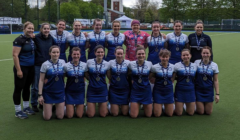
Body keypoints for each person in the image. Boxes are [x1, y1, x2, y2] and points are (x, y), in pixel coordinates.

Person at [12, 21, 36, 119]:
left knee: (27, 87)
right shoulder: (19, 39)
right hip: (22, 67)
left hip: (31, 68)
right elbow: (15, 55)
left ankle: (26, 107)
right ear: (24, 29)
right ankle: (18, 111)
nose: (31, 30)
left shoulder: (31, 39)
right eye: (29, 28)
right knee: (18, 88)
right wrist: (19, 70)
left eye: (32, 28)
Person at [38, 45, 65, 120]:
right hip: (48, 92)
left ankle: (59, 107)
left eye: (57, 52)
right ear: (50, 53)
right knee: (47, 118)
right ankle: (46, 109)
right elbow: (41, 80)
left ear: (59, 53)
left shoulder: (63, 63)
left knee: (60, 117)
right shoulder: (45, 64)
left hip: (60, 92)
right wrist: (40, 95)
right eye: (53, 52)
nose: (55, 54)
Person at [31, 23, 54, 112]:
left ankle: (43, 103)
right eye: (45, 28)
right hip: (38, 65)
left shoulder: (51, 38)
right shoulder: (36, 37)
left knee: (46, 85)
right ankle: (34, 104)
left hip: (48, 65)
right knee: (35, 86)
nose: (46, 30)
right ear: (41, 29)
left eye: (48, 29)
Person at [85, 45, 110, 117]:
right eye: (98, 52)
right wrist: (90, 79)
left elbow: (109, 76)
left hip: (102, 90)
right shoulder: (89, 62)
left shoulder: (107, 64)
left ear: (104, 53)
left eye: (102, 52)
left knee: (103, 114)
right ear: (95, 53)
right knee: (90, 115)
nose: (100, 54)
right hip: (92, 89)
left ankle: (105, 106)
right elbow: (86, 73)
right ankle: (89, 107)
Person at [128, 47, 153, 118]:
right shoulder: (131, 64)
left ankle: (144, 105)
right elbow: (129, 73)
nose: (141, 55)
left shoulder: (149, 64)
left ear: (145, 55)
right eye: (139, 54)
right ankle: (132, 104)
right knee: (133, 116)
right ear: (136, 55)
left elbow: (152, 74)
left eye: (142, 54)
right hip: (136, 91)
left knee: (148, 115)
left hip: (146, 91)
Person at [194, 46, 219, 115]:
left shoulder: (214, 65)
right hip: (198, 90)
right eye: (204, 53)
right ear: (201, 54)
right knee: (201, 112)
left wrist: (217, 94)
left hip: (208, 90)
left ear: (210, 54)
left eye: (207, 53)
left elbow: (215, 80)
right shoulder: (196, 62)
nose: (205, 55)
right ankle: (191, 104)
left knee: (208, 112)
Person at [172, 49, 197, 116]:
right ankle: (174, 106)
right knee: (179, 113)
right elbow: (172, 79)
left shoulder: (195, 66)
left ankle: (186, 105)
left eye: (187, 55)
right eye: (184, 55)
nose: (186, 57)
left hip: (190, 90)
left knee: (191, 113)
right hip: (180, 90)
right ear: (181, 56)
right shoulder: (177, 65)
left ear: (190, 56)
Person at [150, 49, 174, 117]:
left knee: (169, 114)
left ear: (169, 57)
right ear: (160, 57)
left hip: (168, 91)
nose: (165, 59)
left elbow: (174, 77)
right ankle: (157, 105)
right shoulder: (154, 67)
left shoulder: (173, 67)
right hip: (158, 91)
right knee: (157, 115)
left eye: (166, 57)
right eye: (163, 57)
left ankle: (165, 106)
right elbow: (149, 77)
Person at [64, 47, 87, 118]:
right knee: (70, 116)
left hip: (80, 92)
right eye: (74, 54)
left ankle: (83, 106)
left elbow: (86, 77)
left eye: (78, 54)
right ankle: (65, 107)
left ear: (80, 55)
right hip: (70, 92)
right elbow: (62, 78)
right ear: (71, 55)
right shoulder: (66, 66)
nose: (76, 56)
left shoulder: (84, 65)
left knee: (79, 115)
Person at [107, 47, 130, 116]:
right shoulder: (110, 63)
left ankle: (125, 104)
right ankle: (109, 104)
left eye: (121, 54)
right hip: (114, 90)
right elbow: (109, 75)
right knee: (115, 113)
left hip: (124, 90)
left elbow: (129, 74)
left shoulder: (128, 63)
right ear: (115, 54)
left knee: (125, 113)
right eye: (118, 54)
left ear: (123, 54)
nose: (120, 55)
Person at [147, 20, 167, 92]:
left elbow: (166, 49)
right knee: (151, 79)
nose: (156, 29)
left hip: (161, 61)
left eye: (157, 27)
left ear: (160, 27)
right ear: (152, 28)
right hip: (151, 60)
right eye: (154, 27)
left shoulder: (164, 38)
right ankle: (152, 98)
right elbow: (143, 48)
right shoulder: (148, 38)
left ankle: (160, 96)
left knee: (161, 78)